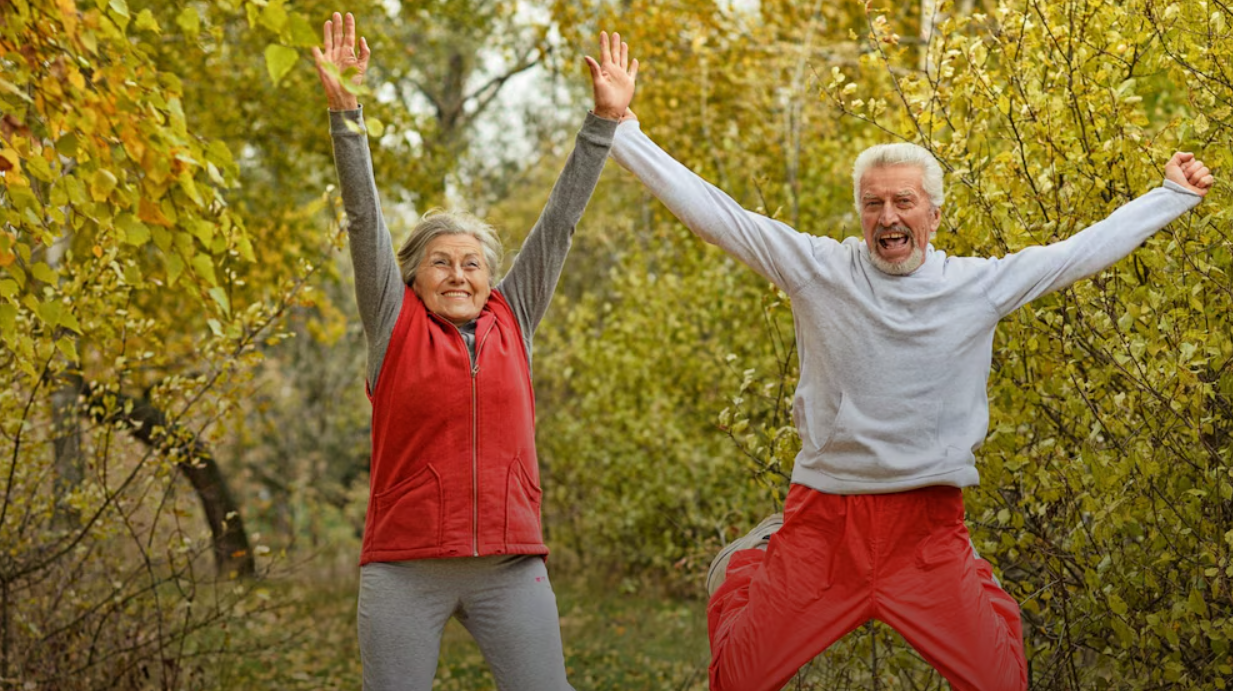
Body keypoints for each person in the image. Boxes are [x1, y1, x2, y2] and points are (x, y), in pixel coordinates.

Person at [607, 107, 1212, 689]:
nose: (888, 216)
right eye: (874, 203)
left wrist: (1171, 195)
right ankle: (747, 568)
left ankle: (977, 587)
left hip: (926, 535)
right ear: (860, 213)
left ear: (934, 214)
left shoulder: (978, 287)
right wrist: (624, 133)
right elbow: (718, 217)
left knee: (1001, 682)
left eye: (903, 201)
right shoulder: (819, 270)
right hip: (823, 526)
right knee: (737, 681)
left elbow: (1078, 253)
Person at [313, 12, 637, 690]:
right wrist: (347, 114)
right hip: (405, 566)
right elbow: (363, 216)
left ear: (490, 277)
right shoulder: (392, 322)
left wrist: (601, 123)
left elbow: (560, 223)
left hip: (509, 565)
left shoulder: (512, 317)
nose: (458, 274)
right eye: (440, 262)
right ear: (411, 275)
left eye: (471, 263)